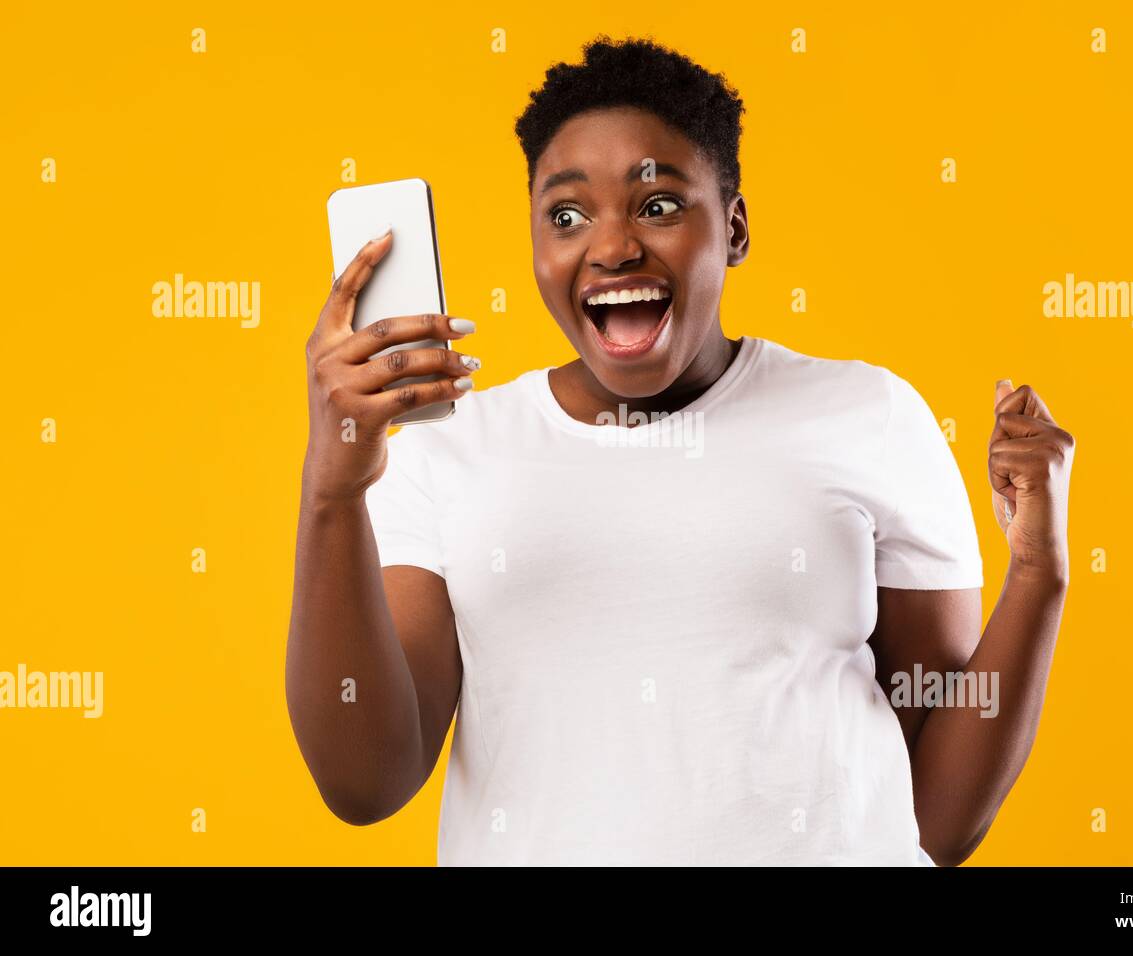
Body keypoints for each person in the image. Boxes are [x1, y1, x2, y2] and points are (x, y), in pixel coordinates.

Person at [285, 35, 1075, 866]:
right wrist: (332, 495)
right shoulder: (450, 452)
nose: (614, 245)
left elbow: (937, 823)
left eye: (658, 204)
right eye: (566, 215)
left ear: (733, 229)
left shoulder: (868, 415)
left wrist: (1038, 573)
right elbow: (365, 784)